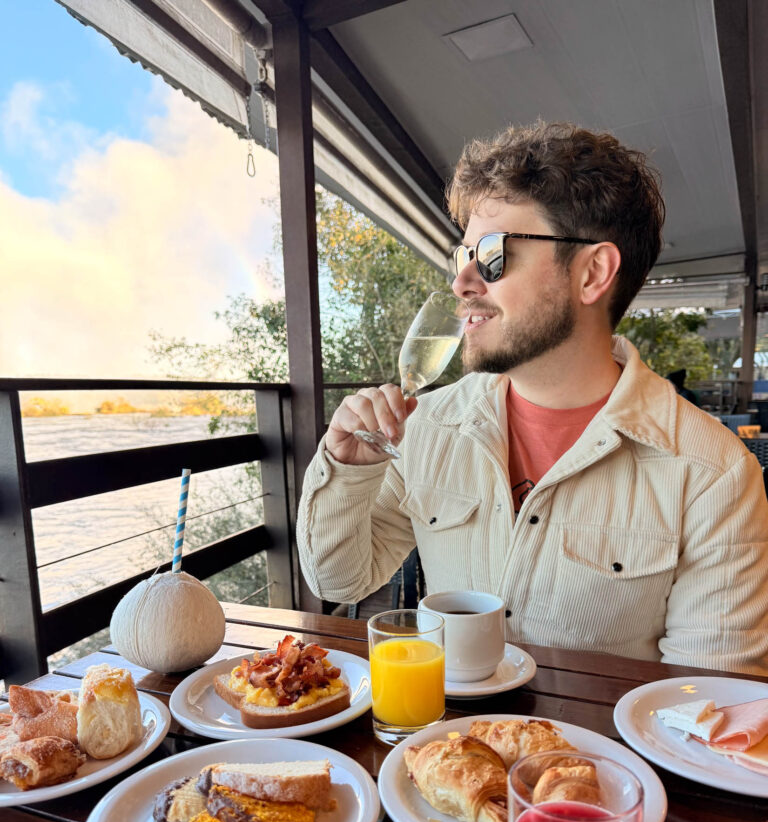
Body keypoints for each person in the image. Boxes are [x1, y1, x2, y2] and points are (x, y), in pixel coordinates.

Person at [297, 121, 768, 675]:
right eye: (463, 256)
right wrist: (348, 472)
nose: (462, 282)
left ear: (592, 273)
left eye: (492, 254)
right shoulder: (427, 425)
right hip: (441, 728)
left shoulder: (712, 473)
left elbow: (708, 695)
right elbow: (340, 582)